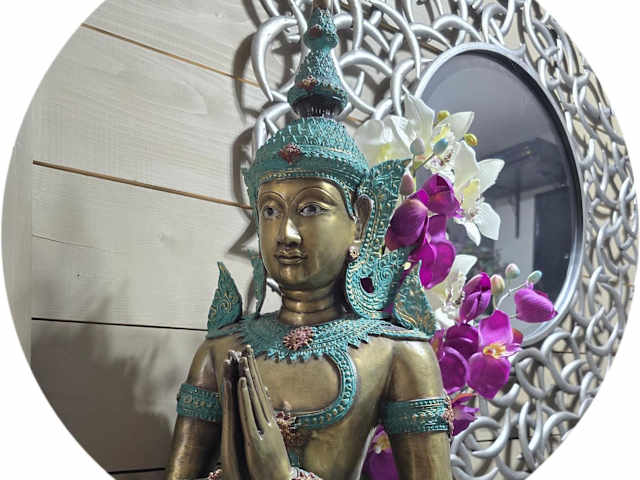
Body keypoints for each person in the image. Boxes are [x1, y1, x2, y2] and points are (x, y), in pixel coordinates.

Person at [165, 2, 452, 479]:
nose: (286, 233)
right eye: (271, 210)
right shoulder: (220, 351)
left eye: (311, 208)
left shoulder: (398, 355)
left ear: (360, 220)